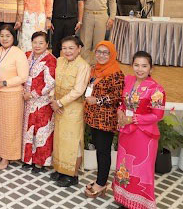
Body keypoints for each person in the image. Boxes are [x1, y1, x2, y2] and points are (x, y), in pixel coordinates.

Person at [113, 51, 166, 209]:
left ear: (151, 68)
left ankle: (139, 204)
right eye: (136, 65)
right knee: (124, 165)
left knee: (141, 170)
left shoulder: (156, 89)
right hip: (126, 133)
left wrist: (134, 119)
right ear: (132, 65)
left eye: (144, 66)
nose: (140, 69)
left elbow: (158, 115)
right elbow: (123, 103)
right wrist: (120, 111)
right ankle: (125, 200)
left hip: (144, 135)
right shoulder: (128, 80)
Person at [83, 40, 124, 197]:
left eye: (106, 53)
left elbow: (117, 96)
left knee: (103, 151)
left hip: (106, 119)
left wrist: (98, 100)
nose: (101, 55)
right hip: (94, 117)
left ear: (112, 54)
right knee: (100, 149)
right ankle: (100, 179)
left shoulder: (116, 73)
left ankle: (101, 184)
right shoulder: (95, 69)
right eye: (99, 52)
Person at [50, 36, 91, 187]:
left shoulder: (83, 66)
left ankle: (72, 175)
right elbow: (52, 81)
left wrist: (60, 103)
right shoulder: (59, 61)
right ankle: (60, 169)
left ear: (79, 49)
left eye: (71, 48)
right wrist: (53, 100)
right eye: (64, 48)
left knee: (73, 142)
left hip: (73, 108)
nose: (67, 51)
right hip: (57, 106)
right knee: (60, 140)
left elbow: (78, 90)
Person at [0, 24, 29, 170]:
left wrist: (4, 83)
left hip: (13, 95)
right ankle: (1, 152)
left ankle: (7, 156)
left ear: (13, 37)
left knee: (11, 127)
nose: (4, 39)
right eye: (2, 36)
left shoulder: (18, 53)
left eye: (8, 36)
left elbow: (23, 77)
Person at [22, 31, 57, 173]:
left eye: (41, 43)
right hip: (27, 99)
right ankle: (28, 159)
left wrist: (33, 94)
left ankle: (40, 162)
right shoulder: (27, 55)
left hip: (42, 101)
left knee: (41, 131)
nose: (37, 45)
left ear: (47, 44)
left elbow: (50, 83)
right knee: (29, 130)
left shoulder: (50, 59)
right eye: (35, 42)